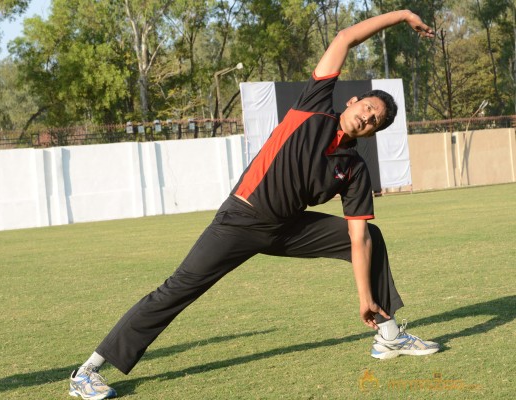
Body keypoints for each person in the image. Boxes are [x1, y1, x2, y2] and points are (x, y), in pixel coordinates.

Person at [68, 9, 438, 400]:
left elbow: (357, 236)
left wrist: (365, 298)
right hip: (240, 219)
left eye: (375, 122)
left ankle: (389, 336)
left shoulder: (354, 168)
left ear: (374, 132)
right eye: (367, 109)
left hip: (287, 229)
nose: (367, 118)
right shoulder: (313, 106)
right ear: (353, 101)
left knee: (372, 236)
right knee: (177, 290)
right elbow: (344, 38)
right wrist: (400, 16)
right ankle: (88, 371)